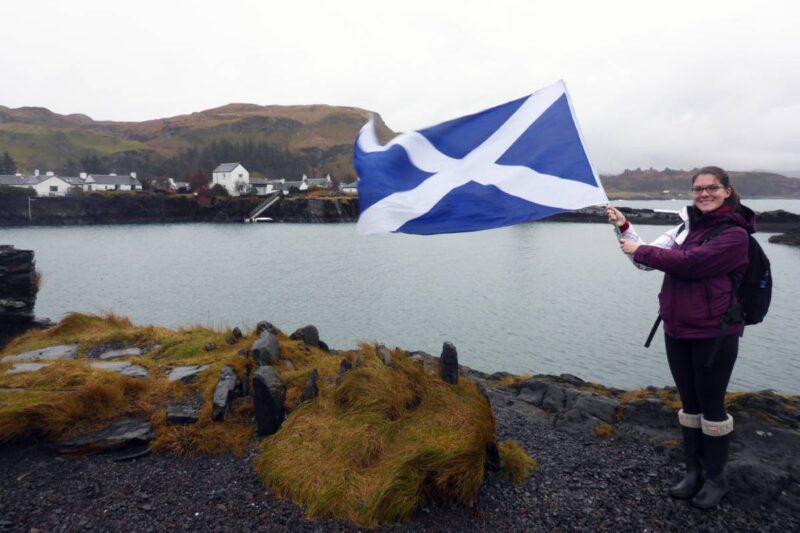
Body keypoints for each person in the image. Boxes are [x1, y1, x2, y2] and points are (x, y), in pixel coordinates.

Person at [607, 166, 754, 509]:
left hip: (715, 333)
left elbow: (688, 263)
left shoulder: (735, 235)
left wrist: (640, 252)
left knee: (712, 404)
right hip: (676, 329)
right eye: (698, 189)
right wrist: (623, 227)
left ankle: (716, 479)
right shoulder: (683, 228)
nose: (704, 194)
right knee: (689, 403)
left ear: (727, 191)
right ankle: (693, 472)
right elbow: (645, 261)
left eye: (712, 188)